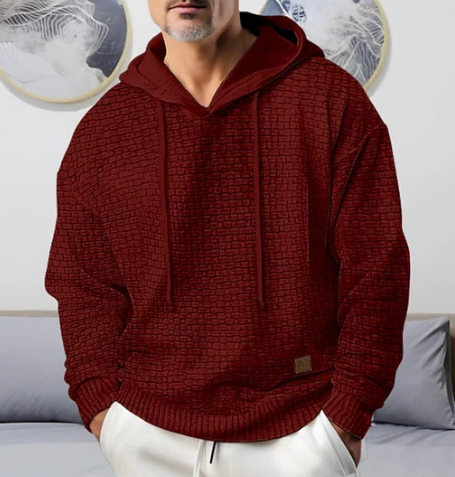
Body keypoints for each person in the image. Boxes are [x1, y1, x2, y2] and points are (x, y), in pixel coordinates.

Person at [44, 1, 411, 476]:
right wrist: (102, 408)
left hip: (301, 430)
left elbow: (377, 267)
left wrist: (347, 417)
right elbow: (83, 283)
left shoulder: (328, 99)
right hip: (145, 432)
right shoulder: (105, 129)